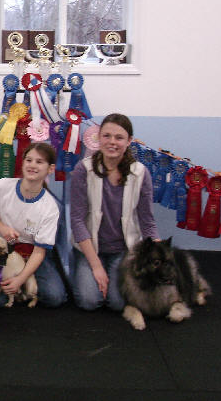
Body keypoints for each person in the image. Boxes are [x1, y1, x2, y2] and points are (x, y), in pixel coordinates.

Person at [70, 113, 159, 311]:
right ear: (99, 138)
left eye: (119, 138)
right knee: (89, 302)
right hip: (90, 249)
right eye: (107, 136)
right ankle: (79, 265)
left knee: (118, 304)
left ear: (129, 141)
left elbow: (147, 222)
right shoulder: (83, 169)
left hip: (124, 251)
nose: (112, 142)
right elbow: (77, 221)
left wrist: (161, 253)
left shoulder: (141, 173)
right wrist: (96, 266)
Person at [0, 142, 67, 307]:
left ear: (50, 169)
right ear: (22, 162)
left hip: (33, 254)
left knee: (55, 297)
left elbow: (40, 252)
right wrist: (2, 228)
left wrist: (20, 279)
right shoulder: (2, 186)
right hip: (3, 252)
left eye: (39, 162)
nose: (32, 165)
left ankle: (25, 284)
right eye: (29, 160)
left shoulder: (50, 207)